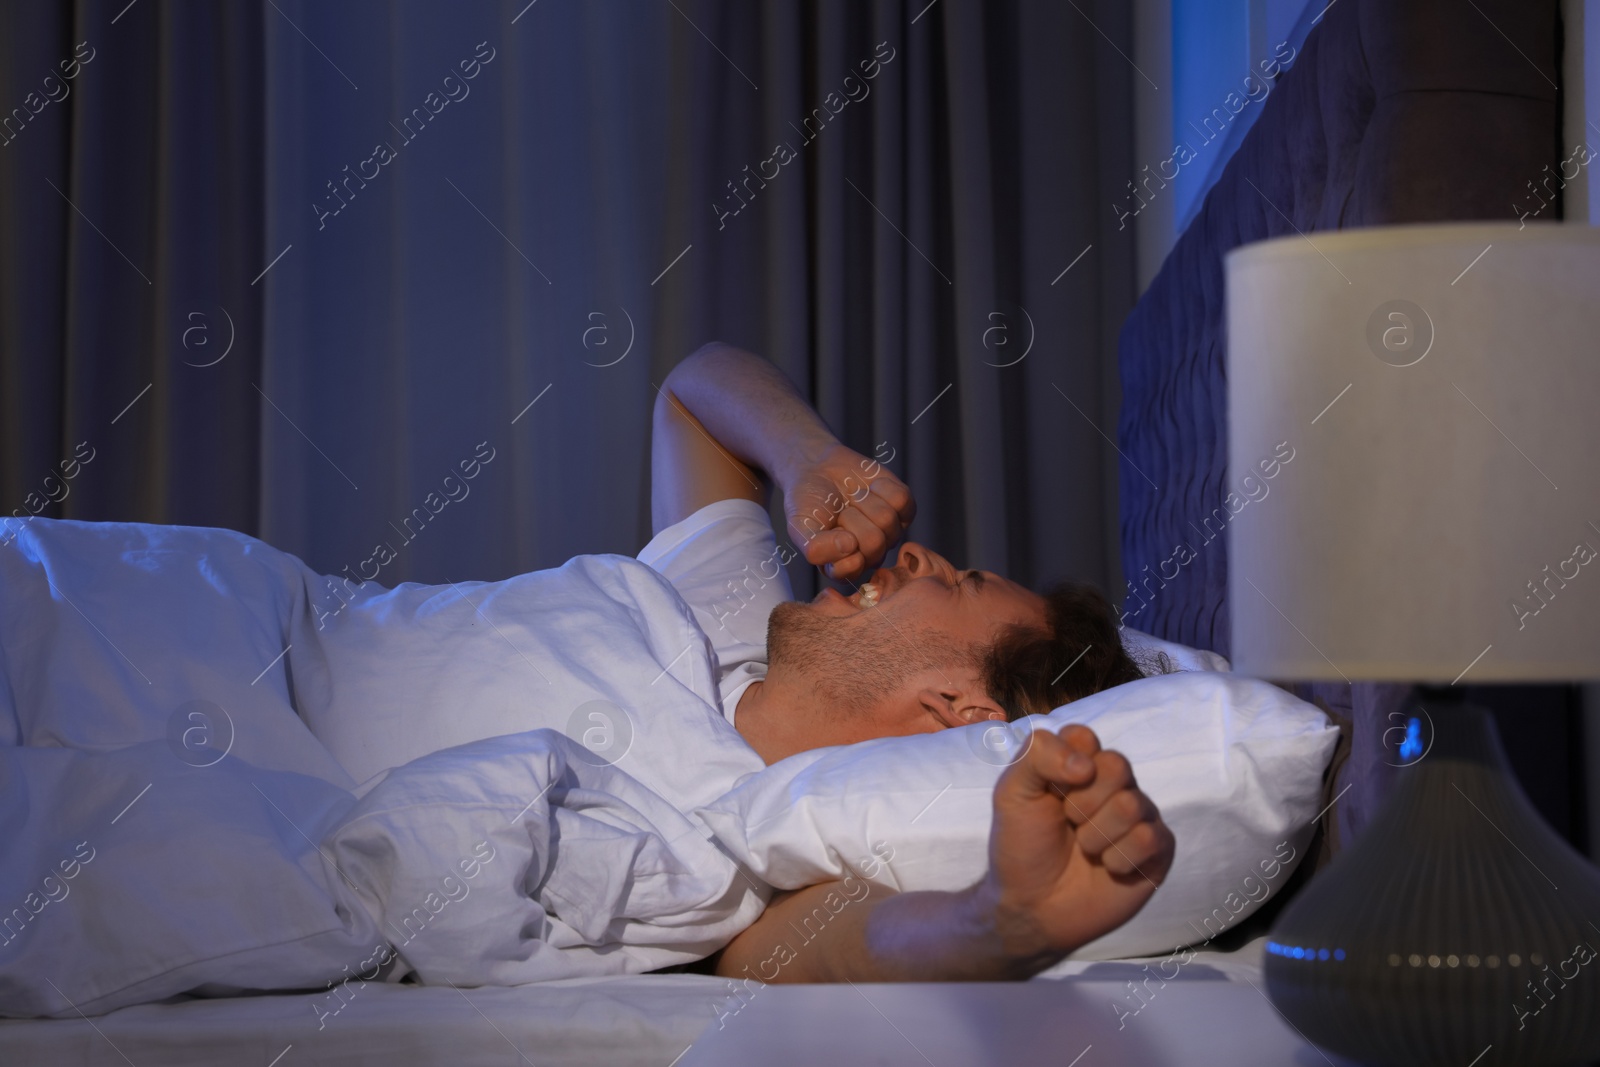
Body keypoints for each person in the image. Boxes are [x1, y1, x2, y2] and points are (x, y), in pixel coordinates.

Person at [648, 342, 1175, 982]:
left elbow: (832, 941)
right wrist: (808, 456)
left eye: (958, 583)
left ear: (962, 708)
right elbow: (693, 392)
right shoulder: (725, 625)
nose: (918, 553)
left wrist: (999, 921)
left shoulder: (722, 851)